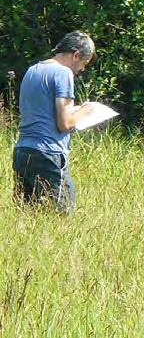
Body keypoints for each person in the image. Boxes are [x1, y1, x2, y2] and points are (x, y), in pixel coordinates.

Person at [13, 30, 96, 213]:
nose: (82, 70)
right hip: (48, 155)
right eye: (84, 63)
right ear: (76, 55)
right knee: (60, 216)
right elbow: (65, 123)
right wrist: (86, 111)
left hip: (22, 152)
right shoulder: (63, 73)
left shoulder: (33, 70)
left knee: (27, 217)